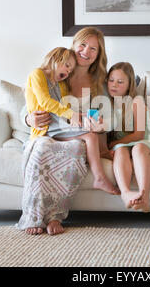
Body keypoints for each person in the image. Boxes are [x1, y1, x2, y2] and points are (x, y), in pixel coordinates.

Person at [19, 27, 119, 236]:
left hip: (76, 135)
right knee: (42, 148)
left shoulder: (99, 83)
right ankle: (34, 215)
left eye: (93, 49)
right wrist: (29, 119)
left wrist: (102, 124)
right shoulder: (57, 73)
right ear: (73, 46)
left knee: (74, 149)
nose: (86, 51)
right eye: (82, 45)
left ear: (98, 55)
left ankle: (55, 215)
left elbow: (111, 117)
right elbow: (32, 103)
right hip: (49, 132)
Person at [26, 46, 116, 192]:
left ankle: (101, 163)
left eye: (70, 71)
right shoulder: (37, 74)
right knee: (90, 135)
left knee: (90, 131)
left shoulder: (61, 84)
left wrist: (82, 116)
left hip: (57, 123)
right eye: (67, 66)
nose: (67, 72)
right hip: (47, 126)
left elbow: (66, 107)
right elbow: (45, 102)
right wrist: (27, 119)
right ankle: (99, 177)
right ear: (54, 59)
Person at [107, 62, 150, 213]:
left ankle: (144, 196)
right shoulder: (107, 103)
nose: (114, 85)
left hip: (144, 140)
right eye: (111, 80)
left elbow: (139, 134)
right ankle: (125, 193)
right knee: (120, 150)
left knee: (138, 149)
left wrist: (115, 142)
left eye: (120, 82)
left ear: (129, 85)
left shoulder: (136, 101)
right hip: (124, 144)